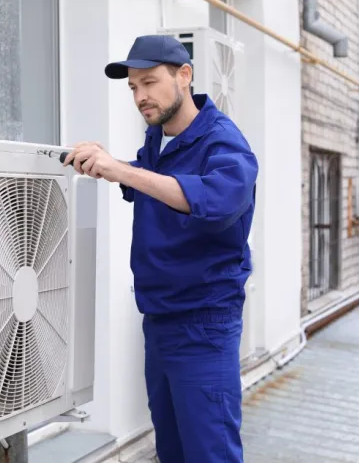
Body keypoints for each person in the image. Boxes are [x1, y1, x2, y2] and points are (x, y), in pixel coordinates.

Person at [63, 35, 258, 463]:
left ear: (184, 76)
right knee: (170, 449)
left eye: (149, 82)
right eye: (133, 87)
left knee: (211, 453)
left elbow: (217, 200)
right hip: (160, 319)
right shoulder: (159, 138)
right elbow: (153, 183)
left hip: (204, 323)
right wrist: (111, 163)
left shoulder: (224, 143)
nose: (141, 96)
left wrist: (124, 172)